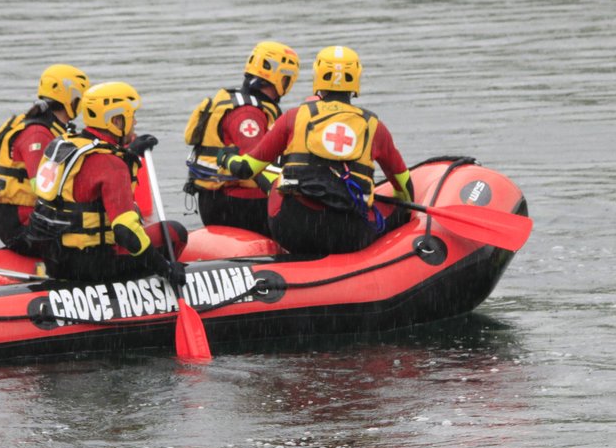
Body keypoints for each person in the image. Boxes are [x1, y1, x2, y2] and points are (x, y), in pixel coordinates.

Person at [222, 45, 413, 256]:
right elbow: (404, 187)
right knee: (395, 209)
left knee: (279, 180)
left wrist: (227, 159)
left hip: (294, 231)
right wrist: (401, 211)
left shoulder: (293, 117)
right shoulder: (374, 126)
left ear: (317, 78)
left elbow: (247, 169)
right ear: (356, 79)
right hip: (349, 235)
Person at [27, 81, 188, 285]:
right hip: (91, 266)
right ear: (117, 121)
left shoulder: (65, 145)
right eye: (132, 117)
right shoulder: (112, 164)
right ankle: (144, 286)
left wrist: (130, 154)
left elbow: (88, 179)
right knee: (174, 231)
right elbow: (126, 232)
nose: (135, 123)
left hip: (54, 259)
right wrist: (165, 268)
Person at [182, 41, 298, 236]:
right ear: (280, 79)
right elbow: (254, 166)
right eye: (287, 79)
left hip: (217, 201)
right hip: (234, 205)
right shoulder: (247, 113)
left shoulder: (239, 103)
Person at [0, 63, 90, 255]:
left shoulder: (54, 128)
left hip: (33, 220)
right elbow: (42, 187)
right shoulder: (37, 133)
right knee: (93, 231)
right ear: (71, 98)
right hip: (22, 228)